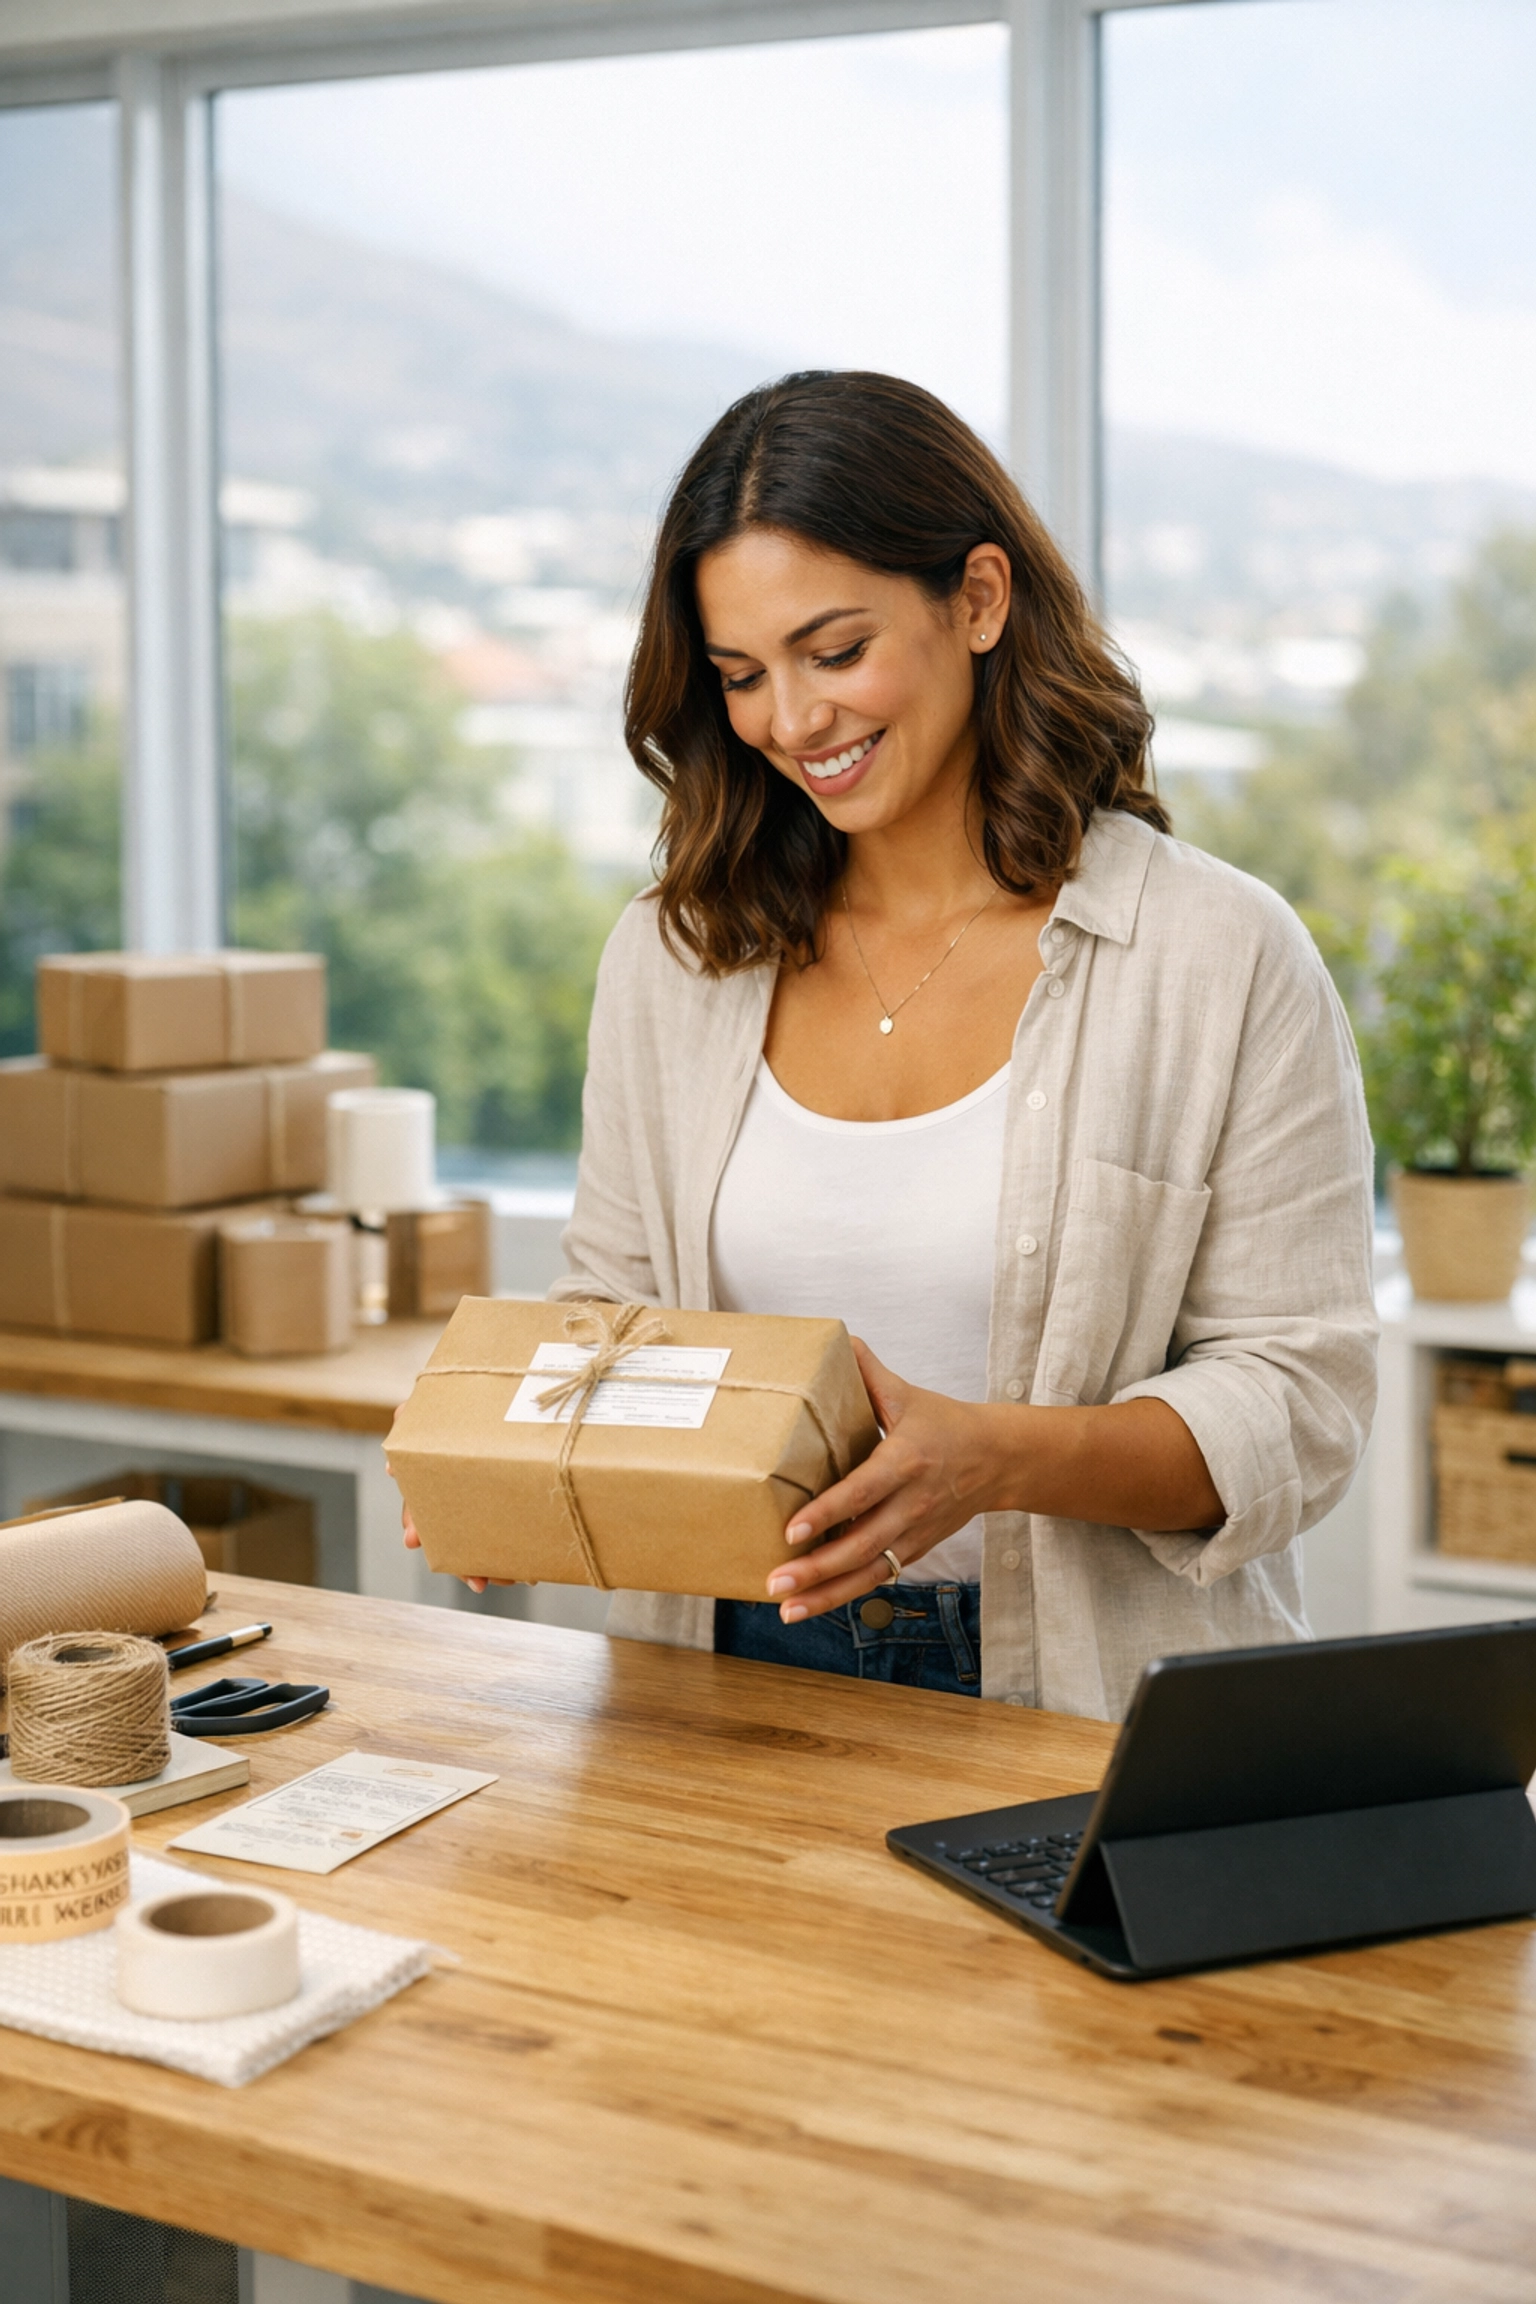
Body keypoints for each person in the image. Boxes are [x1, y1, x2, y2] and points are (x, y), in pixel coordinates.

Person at [410, 370, 1378, 1723]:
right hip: (719, 1664)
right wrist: (522, 1460)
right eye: (742, 676)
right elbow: (616, 1308)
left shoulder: (1215, 956)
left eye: (835, 651)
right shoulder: (677, 954)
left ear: (978, 599)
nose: (792, 722)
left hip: (1084, 1691)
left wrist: (997, 1458)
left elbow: (1302, 1400)